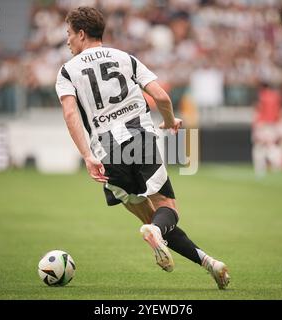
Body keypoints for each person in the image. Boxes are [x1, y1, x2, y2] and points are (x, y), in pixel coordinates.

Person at [55, 7, 230, 290]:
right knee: (166, 211)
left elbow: (70, 114)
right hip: (140, 139)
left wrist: (87, 155)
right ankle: (170, 241)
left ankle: (209, 263)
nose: (67, 41)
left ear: (82, 34)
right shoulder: (126, 58)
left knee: (152, 218)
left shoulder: (67, 71)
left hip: (107, 152)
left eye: (68, 34)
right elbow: (161, 96)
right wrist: (171, 122)